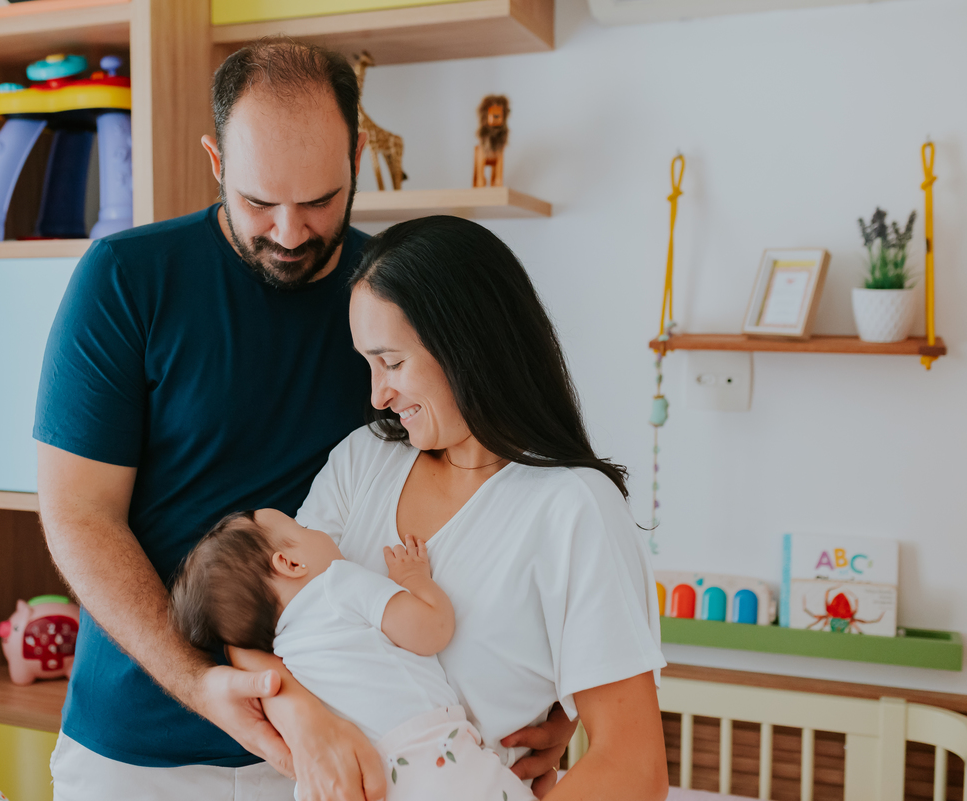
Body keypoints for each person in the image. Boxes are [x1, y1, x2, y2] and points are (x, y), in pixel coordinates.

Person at [33, 40, 573, 801]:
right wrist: (209, 683)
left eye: (320, 200)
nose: (290, 232)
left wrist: (549, 692)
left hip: (350, 743)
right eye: (259, 202)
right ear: (216, 162)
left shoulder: (393, 299)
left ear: (357, 158)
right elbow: (79, 515)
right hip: (138, 745)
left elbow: (477, 488)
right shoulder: (125, 280)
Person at [231, 216, 670, 800]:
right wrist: (302, 718)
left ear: (468, 345)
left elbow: (633, 767)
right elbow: (252, 620)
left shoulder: (572, 509)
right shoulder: (363, 460)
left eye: (392, 363)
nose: (377, 395)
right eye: (368, 364)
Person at [171, 508, 537, 801]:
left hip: (346, 779)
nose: (316, 530)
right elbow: (432, 630)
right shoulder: (336, 584)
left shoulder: (283, 654)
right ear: (291, 564)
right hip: (427, 758)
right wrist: (414, 580)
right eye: (302, 527)